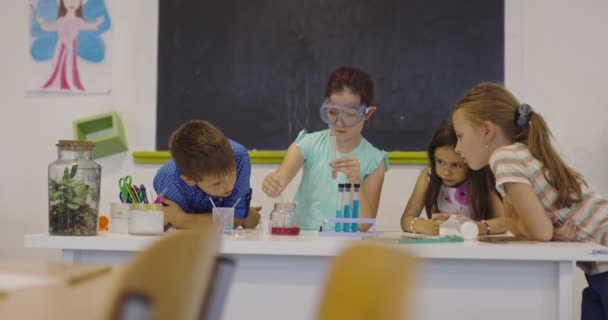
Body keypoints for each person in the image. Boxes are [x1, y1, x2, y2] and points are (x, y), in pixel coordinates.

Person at [452, 82, 606, 319]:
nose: (457, 148)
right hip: (598, 270)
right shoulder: (518, 154)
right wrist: (548, 231)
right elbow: (516, 226)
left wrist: (549, 232)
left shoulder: (504, 158)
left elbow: (539, 231)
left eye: (460, 136)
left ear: (487, 130)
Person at [262, 66, 388, 231]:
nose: (339, 122)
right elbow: (278, 182)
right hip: (305, 241)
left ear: (368, 113)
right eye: (333, 112)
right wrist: (271, 184)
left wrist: (356, 181)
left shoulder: (374, 160)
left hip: (345, 244)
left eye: (350, 114)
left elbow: (364, 224)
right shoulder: (307, 143)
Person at [400, 119, 505, 235]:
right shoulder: (428, 175)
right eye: (440, 162)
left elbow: (504, 222)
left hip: (476, 248)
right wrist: (423, 225)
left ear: (469, 160)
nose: (446, 172)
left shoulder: (481, 176)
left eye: (456, 165)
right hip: (441, 248)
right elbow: (406, 220)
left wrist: (477, 227)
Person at [153, 120, 261, 229]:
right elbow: (173, 223)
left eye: (233, 173)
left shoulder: (238, 156)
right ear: (189, 180)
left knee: (251, 220)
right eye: (217, 183)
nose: (229, 186)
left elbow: (232, 220)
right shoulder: (169, 179)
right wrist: (243, 217)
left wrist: (183, 219)